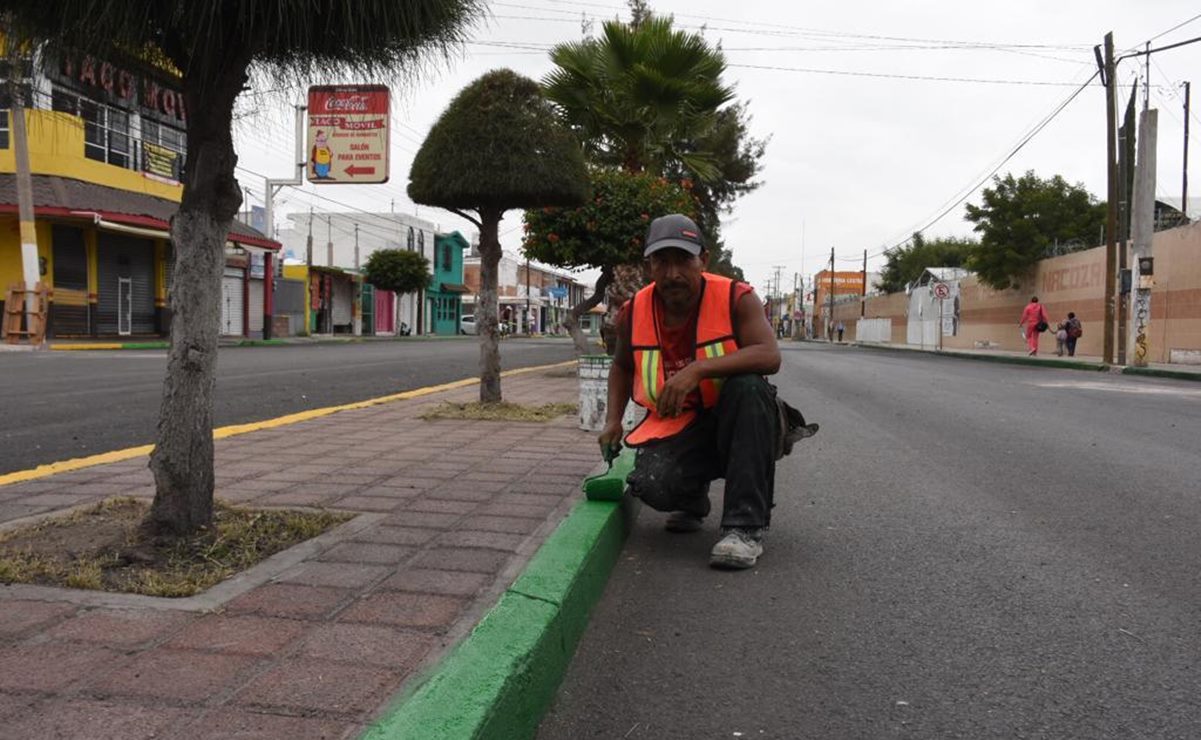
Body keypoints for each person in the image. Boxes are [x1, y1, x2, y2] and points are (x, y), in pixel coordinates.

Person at [599, 214, 790, 569]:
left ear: (703, 259)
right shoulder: (634, 311)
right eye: (662, 261)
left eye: (684, 260)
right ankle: (692, 500)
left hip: (738, 420)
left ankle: (744, 528)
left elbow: (769, 355)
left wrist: (698, 369)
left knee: (749, 387)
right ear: (649, 266)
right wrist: (613, 421)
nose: (673, 273)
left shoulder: (737, 297)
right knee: (652, 484)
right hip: (682, 425)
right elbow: (622, 366)